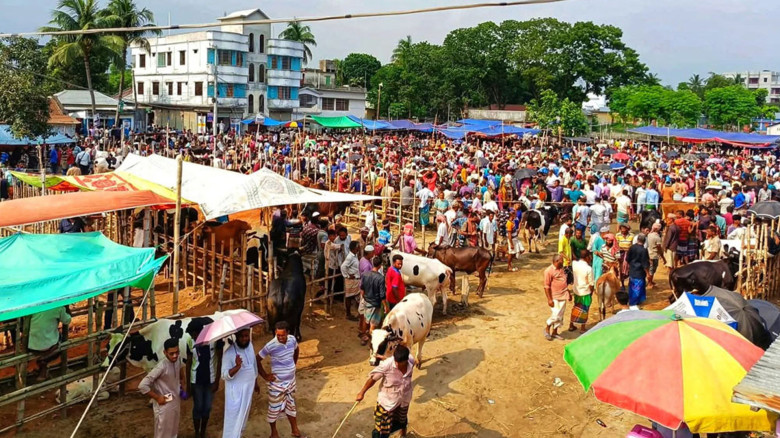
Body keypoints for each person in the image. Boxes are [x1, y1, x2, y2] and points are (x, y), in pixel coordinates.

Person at [356, 345, 415, 438]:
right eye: (396, 361)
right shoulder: (386, 365)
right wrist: (362, 393)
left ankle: (403, 433)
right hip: (387, 402)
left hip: (404, 399)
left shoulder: (411, 361)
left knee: (402, 419)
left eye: (401, 362)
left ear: (406, 360)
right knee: (382, 428)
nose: (398, 364)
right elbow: (372, 379)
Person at [258, 321, 305, 438]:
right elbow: (257, 359)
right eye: (277, 335)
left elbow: (296, 350)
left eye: (282, 335)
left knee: (291, 405)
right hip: (277, 383)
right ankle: (274, 432)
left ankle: (295, 429)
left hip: (290, 382)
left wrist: (293, 364)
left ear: (288, 333)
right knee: (274, 408)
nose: (279, 337)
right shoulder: (270, 345)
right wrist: (265, 376)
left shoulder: (292, 339)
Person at [138, 338, 186, 438]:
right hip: (164, 404)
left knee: (173, 430)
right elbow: (142, 385)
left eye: (177, 352)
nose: (175, 356)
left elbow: (180, 372)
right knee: (162, 433)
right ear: (165, 352)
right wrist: (157, 397)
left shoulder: (178, 360)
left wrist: (182, 385)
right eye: (171, 353)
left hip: (175, 401)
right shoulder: (161, 367)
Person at [186, 328, 223, 438]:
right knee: (198, 406)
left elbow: (219, 359)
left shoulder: (214, 339)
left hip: (210, 380)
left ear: (199, 333)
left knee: (207, 407)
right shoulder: (190, 341)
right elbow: (188, 363)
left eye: (194, 334)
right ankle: (197, 433)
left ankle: (203, 431)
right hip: (196, 380)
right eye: (191, 335)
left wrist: (217, 381)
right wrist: (188, 386)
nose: (193, 337)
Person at [221, 329, 259, 438]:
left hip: (248, 391)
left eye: (246, 336)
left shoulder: (250, 346)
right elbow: (224, 375)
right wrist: (237, 367)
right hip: (235, 395)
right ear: (236, 336)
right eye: (242, 336)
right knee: (233, 421)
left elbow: (253, 365)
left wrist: (255, 382)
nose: (244, 339)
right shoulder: (229, 353)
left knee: (243, 420)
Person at [28, 306, 71, 381]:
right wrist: (66, 308)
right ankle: (44, 361)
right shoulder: (58, 307)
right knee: (63, 340)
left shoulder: (32, 306)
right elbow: (67, 320)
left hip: (31, 346)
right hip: (48, 347)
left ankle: (43, 365)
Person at [543, 254, 570, 341]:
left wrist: (568, 292)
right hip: (554, 296)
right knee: (556, 315)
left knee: (560, 316)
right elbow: (546, 286)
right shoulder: (548, 271)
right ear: (556, 261)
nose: (563, 262)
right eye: (562, 260)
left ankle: (555, 332)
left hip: (563, 295)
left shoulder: (562, 269)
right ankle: (547, 328)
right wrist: (549, 299)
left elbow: (564, 281)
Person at [568, 250, 594, 333]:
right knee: (585, 309)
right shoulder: (589, 268)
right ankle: (582, 328)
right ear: (587, 257)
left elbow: (573, 259)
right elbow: (591, 284)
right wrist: (591, 293)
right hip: (585, 291)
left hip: (576, 290)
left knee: (576, 307)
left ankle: (571, 325)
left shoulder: (574, 264)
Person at [626, 234, 650, 310]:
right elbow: (645, 263)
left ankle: (634, 301)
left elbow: (627, 259)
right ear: (644, 241)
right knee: (637, 288)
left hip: (632, 270)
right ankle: (633, 304)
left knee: (632, 286)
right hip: (639, 272)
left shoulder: (632, 247)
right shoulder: (643, 250)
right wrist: (648, 273)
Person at [342, 241, 362, 321]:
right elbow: (343, 266)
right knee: (349, 297)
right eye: (358, 246)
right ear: (355, 248)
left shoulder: (354, 256)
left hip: (355, 280)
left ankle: (358, 313)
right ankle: (348, 314)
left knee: (356, 297)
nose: (359, 248)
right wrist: (347, 275)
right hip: (351, 280)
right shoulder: (350, 257)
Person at [646, 222, 665, 288]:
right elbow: (659, 248)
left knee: (650, 269)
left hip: (648, 254)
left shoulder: (649, 235)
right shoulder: (657, 238)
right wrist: (663, 258)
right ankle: (649, 283)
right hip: (654, 255)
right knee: (652, 270)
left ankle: (650, 281)